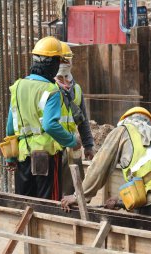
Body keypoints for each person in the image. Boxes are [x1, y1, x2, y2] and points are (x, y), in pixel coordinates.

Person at [61, 107, 151, 220]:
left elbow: (99, 166)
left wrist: (78, 196)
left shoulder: (123, 130)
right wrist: (121, 201)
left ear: (125, 121)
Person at [6, 36, 80, 200]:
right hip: (46, 156)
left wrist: (10, 156)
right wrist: (72, 141)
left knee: (24, 202)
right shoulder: (51, 90)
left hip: (23, 155)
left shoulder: (17, 87)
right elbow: (49, 125)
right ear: (53, 64)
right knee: (48, 205)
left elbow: (10, 126)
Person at [55, 42, 94, 196]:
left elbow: (83, 121)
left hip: (72, 147)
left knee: (73, 191)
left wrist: (88, 144)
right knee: (55, 193)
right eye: (62, 59)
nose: (65, 62)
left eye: (67, 59)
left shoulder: (75, 89)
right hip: (54, 148)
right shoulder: (47, 87)